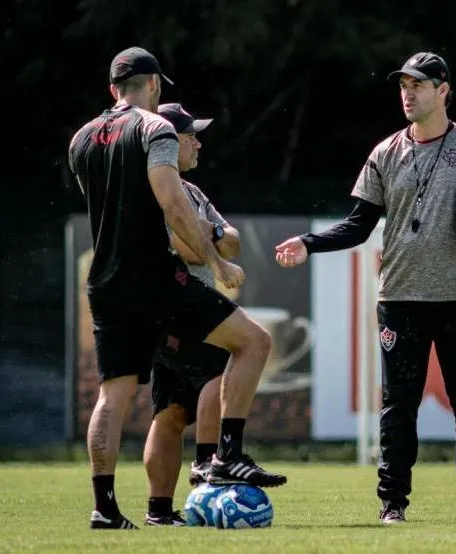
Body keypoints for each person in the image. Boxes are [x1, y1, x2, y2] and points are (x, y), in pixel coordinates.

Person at [275, 52, 456, 525]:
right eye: (403, 85)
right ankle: (393, 504)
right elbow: (357, 226)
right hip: (400, 300)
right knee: (397, 406)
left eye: (419, 85)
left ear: (443, 90)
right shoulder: (385, 152)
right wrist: (308, 243)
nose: (408, 93)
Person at [68, 46, 287, 530]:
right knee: (254, 341)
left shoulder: (81, 139)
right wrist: (215, 262)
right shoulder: (155, 129)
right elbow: (168, 200)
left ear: (111, 89)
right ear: (153, 86)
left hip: (104, 281)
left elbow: (111, 210)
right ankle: (226, 455)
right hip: (153, 277)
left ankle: (104, 508)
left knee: (114, 396)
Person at [143, 102, 240, 526]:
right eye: (190, 136)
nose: (198, 143)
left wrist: (214, 233)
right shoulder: (159, 191)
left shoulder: (193, 192)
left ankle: (159, 512)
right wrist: (212, 242)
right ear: (168, 142)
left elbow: (231, 240)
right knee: (228, 367)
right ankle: (208, 464)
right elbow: (182, 247)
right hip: (180, 309)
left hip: (181, 312)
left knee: (172, 413)